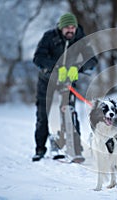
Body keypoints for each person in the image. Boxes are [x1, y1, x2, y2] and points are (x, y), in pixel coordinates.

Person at [32, 13, 97, 161]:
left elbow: (93, 60)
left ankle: (75, 149)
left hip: (67, 82)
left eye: (73, 27)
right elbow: (38, 58)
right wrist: (55, 68)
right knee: (43, 114)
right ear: (61, 28)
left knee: (69, 112)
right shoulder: (49, 37)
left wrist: (77, 67)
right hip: (47, 80)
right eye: (67, 27)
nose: (70, 30)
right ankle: (40, 149)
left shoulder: (80, 38)